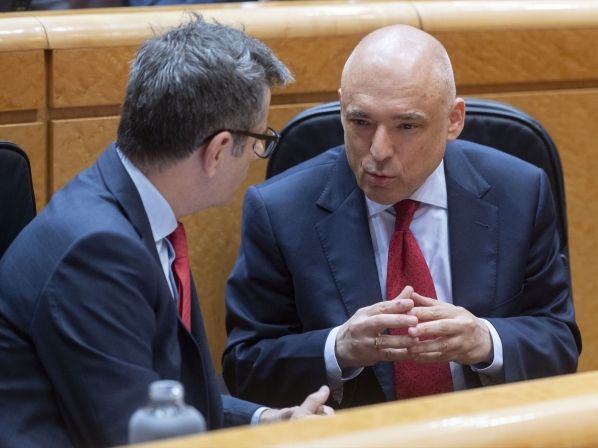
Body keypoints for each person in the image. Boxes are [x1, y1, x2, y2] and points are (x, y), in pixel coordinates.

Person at [0, 15, 332, 448]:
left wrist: (266, 421)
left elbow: (164, 393)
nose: (256, 154)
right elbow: (134, 435)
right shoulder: (97, 252)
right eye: (258, 140)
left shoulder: (138, 213)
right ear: (218, 151)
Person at [223, 24, 581, 409]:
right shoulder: (279, 210)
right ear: (342, 109)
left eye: (406, 126)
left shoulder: (520, 192)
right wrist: (337, 348)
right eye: (361, 122)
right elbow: (245, 368)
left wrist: (486, 341)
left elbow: (558, 340)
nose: (378, 151)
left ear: (454, 120)